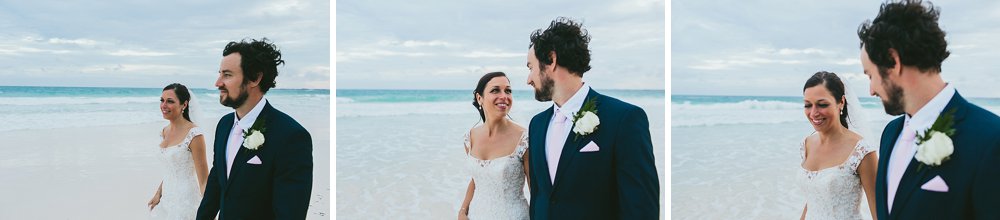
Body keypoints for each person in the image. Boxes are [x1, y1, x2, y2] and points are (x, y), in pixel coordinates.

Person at [858, 1, 1000, 219]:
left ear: (893, 61)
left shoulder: (991, 140)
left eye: (870, 75)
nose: (871, 90)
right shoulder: (890, 134)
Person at [525, 17, 659, 219]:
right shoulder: (537, 125)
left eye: (530, 67)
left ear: (551, 60)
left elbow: (641, 208)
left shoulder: (624, 119)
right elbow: (540, 198)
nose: (528, 79)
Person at [196, 38, 313, 219]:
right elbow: (217, 182)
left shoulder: (291, 136)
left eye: (227, 75)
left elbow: (290, 214)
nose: (218, 83)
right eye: (220, 74)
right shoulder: (224, 125)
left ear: (255, 78)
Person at [798, 71, 877, 220]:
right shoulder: (806, 144)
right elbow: (813, 198)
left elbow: (878, 211)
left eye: (822, 104)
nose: (813, 113)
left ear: (841, 102)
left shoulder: (861, 151)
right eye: (808, 105)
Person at [457, 72, 530, 220]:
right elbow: (477, 179)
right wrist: (462, 211)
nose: (504, 96)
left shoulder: (524, 139)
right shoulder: (470, 138)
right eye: (495, 90)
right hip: (476, 215)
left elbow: (535, 189)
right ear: (480, 98)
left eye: (508, 90)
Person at [149, 83, 209, 220]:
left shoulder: (194, 135)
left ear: (184, 105)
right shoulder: (163, 132)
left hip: (185, 201)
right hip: (166, 199)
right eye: (162, 100)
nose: (164, 105)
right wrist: (159, 193)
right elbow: (171, 168)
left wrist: (209, 212)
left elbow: (204, 181)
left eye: (170, 101)